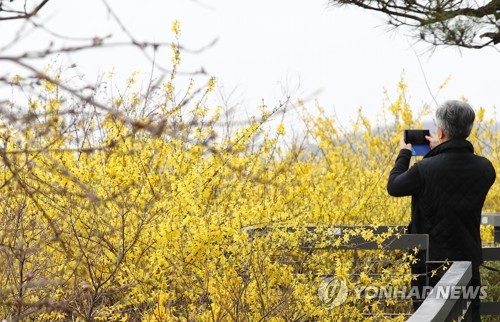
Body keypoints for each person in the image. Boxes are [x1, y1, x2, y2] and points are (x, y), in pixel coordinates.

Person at [387, 100, 496, 321]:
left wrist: (404, 154)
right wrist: (442, 149)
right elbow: (453, 177)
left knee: (431, 316)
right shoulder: (486, 168)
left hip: (431, 265)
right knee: (468, 316)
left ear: (440, 130)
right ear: (469, 129)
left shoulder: (424, 169)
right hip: (468, 260)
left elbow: (394, 186)